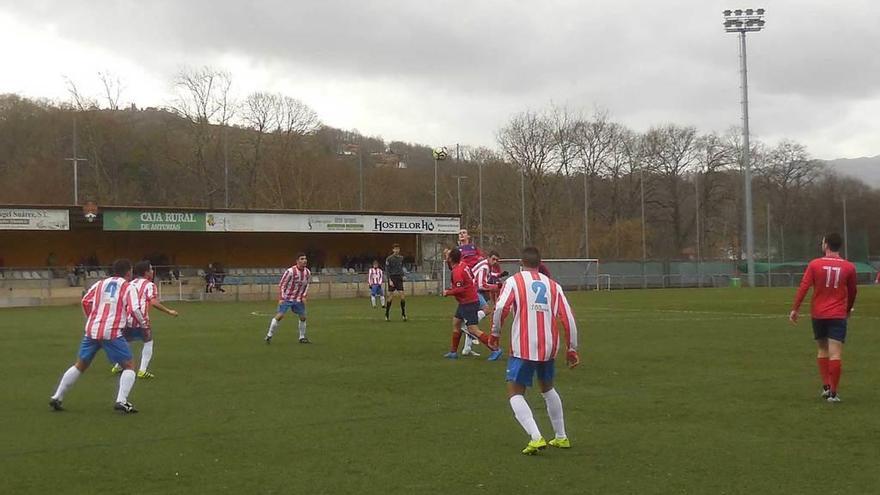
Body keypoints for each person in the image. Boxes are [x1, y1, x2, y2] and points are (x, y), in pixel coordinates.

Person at [492, 246, 580, 455]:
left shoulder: (514, 281)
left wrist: (495, 333)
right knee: (547, 387)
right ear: (540, 265)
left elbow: (501, 308)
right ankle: (561, 436)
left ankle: (536, 437)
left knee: (514, 392)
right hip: (548, 345)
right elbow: (568, 318)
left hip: (524, 346)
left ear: (521, 264)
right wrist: (572, 348)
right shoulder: (553, 285)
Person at [48, 259, 146, 413]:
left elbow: (85, 301)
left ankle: (57, 397)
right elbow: (135, 308)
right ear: (128, 272)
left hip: (92, 329)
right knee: (129, 366)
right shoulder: (128, 287)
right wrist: (144, 324)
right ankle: (122, 401)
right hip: (111, 331)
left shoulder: (100, 284)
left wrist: (93, 318)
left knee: (80, 365)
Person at [789, 233, 857, 403]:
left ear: (826, 245)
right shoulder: (849, 267)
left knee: (822, 350)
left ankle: (826, 387)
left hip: (818, 314)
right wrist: (848, 309)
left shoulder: (815, 264)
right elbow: (853, 291)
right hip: (837, 315)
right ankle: (833, 393)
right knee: (836, 353)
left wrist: (795, 309)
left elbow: (804, 287)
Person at [111, 260, 179, 379]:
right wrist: (169, 311)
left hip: (127, 319)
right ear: (147, 272)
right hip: (140, 318)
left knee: (127, 341)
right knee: (148, 341)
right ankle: (142, 370)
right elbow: (153, 302)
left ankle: (118, 365)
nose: (153, 272)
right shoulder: (150, 285)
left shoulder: (130, 283)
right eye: (151, 269)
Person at [442, 247, 502, 361]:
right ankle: (453, 352)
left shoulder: (457, 271)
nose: (446, 257)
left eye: (447, 256)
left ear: (450, 259)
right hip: (466, 300)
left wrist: (448, 292)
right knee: (456, 323)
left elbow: (460, 289)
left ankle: (495, 349)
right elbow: (470, 277)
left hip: (468, 302)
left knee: (473, 329)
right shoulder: (463, 265)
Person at [265, 253, 312, 344]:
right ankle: (269, 335)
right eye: (302, 259)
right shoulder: (290, 271)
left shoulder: (307, 272)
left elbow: (307, 285)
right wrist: (282, 298)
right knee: (280, 316)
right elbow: (282, 284)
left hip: (298, 299)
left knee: (303, 317)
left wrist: (304, 296)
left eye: (305, 259)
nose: (304, 261)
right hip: (287, 298)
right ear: (297, 261)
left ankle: (302, 337)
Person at [385, 243, 407, 322]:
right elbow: (387, 270)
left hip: (399, 278)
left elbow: (401, 268)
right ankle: (387, 314)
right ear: (393, 250)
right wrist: (389, 280)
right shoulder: (389, 259)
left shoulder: (401, 258)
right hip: (392, 278)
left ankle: (403, 314)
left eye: (398, 248)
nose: (397, 250)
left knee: (402, 296)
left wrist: (403, 275)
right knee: (390, 296)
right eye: (395, 249)